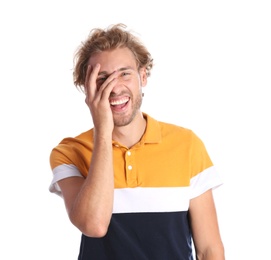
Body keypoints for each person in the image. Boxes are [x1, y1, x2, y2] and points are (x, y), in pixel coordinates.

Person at [49, 23, 225, 260]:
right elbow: (94, 225)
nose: (115, 87)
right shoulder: (69, 152)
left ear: (143, 76)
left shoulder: (188, 145)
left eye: (124, 73)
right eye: (102, 78)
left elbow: (209, 250)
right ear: (87, 88)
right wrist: (103, 131)